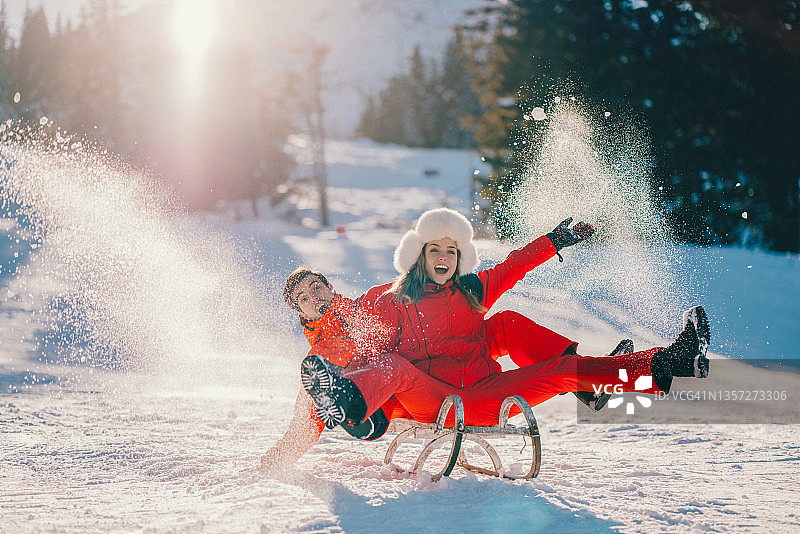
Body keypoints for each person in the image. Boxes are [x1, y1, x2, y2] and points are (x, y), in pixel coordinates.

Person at [260, 211, 710, 469]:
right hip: (434, 398)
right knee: (389, 368)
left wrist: (554, 240)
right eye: (433, 250)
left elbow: (513, 266)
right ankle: (357, 409)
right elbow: (347, 366)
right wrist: (283, 454)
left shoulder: (469, 290)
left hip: (481, 392)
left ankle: (666, 364)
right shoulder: (383, 304)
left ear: (459, 257)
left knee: (520, 336)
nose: (442, 257)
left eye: (450, 251)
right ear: (417, 257)